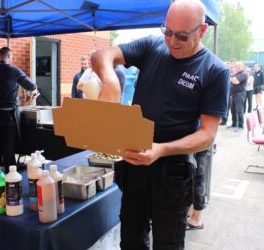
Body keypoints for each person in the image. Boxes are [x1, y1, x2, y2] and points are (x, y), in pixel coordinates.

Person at [91, 0, 230, 249]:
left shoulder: (215, 70)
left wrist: (160, 149)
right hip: (134, 164)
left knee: (168, 243)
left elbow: (207, 135)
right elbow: (102, 55)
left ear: (202, 30)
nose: (172, 41)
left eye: (182, 36)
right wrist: (110, 80)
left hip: (172, 173)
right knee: (132, 239)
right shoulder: (152, 46)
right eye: (168, 31)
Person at [0, 47, 37, 169]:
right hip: (8, 113)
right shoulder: (13, 70)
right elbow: (31, 85)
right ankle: (11, 173)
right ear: (9, 56)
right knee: (8, 144)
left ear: (0, 56)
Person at [186, 147, 211, 230]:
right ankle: (192, 212)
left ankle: (196, 219)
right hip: (195, 147)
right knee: (194, 181)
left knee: (197, 182)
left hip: (198, 147)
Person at [228, 62, 248, 132]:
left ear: (243, 67)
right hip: (233, 94)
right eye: (236, 66)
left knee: (239, 110)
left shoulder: (244, 74)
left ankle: (241, 126)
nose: (237, 67)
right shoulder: (236, 74)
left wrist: (232, 79)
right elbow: (231, 80)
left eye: (239, 66)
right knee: (233, 110)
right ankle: (234, 124)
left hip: (240, 94)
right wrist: (232, 79)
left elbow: (236, 82)